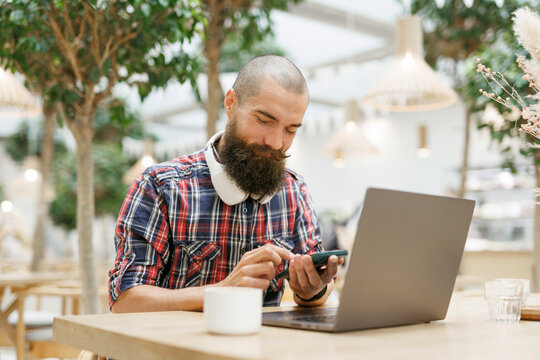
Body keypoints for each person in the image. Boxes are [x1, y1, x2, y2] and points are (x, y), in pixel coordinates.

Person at [108, 55, 342, 313]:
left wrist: (313, 290)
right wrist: (223, 290)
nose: (276, 142)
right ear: (231, 103)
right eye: (264, 120)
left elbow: (320, 290)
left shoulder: (294, 191)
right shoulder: (161, 187)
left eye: (290, 130)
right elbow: (125, 301)